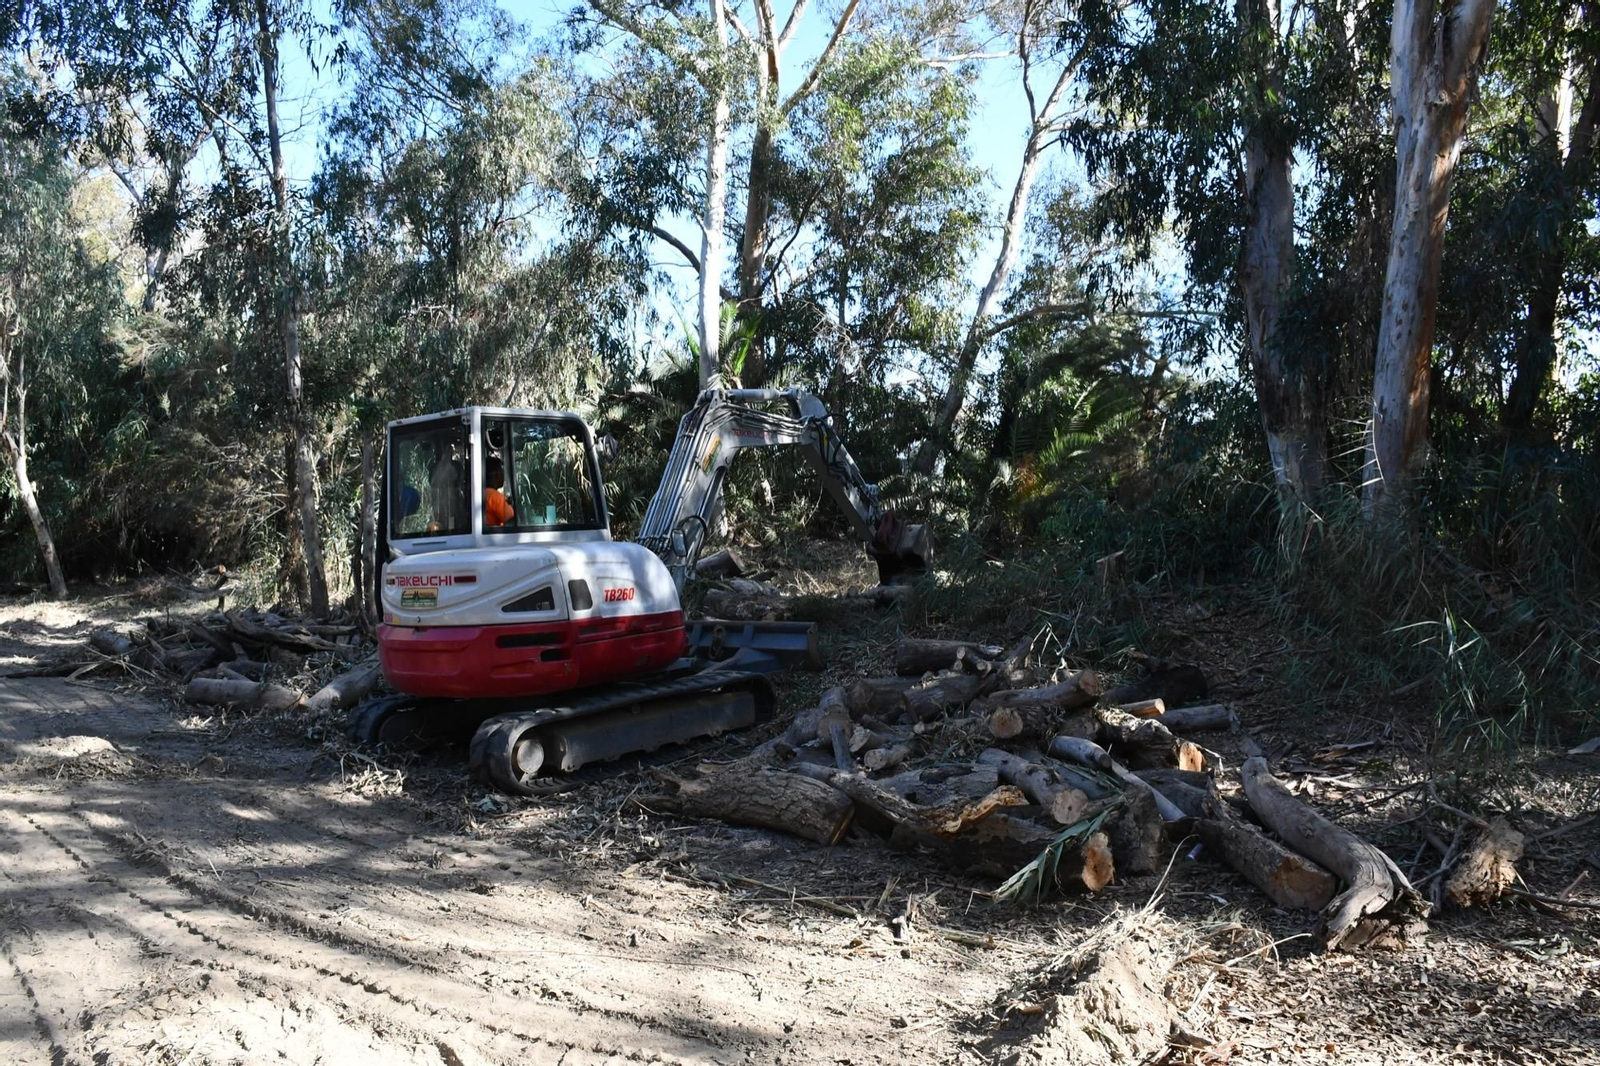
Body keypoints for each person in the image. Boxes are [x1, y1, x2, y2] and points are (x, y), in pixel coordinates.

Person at [485, 455, 515, 528]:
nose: (503, 474)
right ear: (496, 474)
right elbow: (512, 520)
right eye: (501, 470)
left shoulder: (482, 493)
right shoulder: (495, 497)